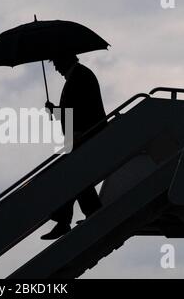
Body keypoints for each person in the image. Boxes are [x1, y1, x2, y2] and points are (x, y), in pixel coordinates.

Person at [40, 53, 107, 240]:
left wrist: (78, 131)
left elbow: (81, 111)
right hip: (84, 136)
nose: (57, 70)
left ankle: (67, 220)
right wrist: (55, 110)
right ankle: (87, 213)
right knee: (77, 177)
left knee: (73, 174)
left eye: (57, 65)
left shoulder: (79, 77)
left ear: (63, 61)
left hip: (86, 136)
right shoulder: (80, 75)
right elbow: (75, 111)